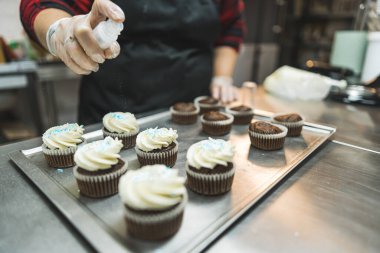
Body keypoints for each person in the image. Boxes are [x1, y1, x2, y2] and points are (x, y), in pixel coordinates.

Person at [20, 0, 245, 125]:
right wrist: (58, 29)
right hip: (111, 114)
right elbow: (41, 3)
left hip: (194, 114)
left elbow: (231, 25)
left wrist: (222, 76)